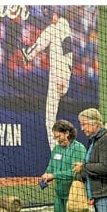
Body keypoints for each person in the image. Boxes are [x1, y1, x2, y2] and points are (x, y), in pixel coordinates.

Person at [23, 9, 75, 148]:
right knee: (51, 116)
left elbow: (66, 46)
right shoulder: (62, 27)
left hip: (60, 70)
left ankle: (29, 54)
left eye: (51, 15)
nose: (51, 18)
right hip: (65, 74)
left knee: (49, 119)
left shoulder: (61, 24)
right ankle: (29, 54)